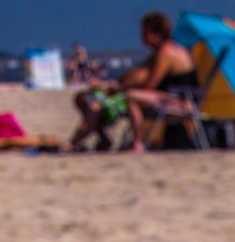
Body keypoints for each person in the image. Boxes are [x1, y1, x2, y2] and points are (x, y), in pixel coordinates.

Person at [70, 11, 197, 152]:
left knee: (131, 97)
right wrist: (117, 86)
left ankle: (137, 142)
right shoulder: (165, 50)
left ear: (157, 33)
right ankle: (104, 139)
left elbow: (151, 84)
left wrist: (121, 89)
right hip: (173, 97)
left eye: (145, 32)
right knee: (94, 100)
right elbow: (141, 75)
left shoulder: (166, 53)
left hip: (180, 102)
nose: (141, 36)